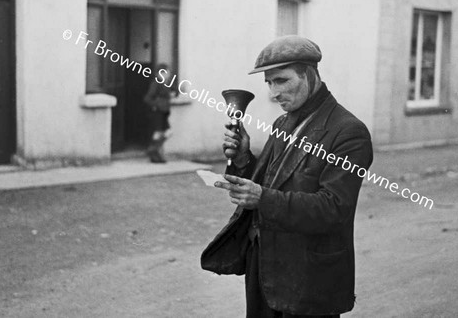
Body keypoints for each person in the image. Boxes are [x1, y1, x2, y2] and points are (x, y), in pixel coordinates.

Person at [201, 36, 374, 317]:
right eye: (269, 83)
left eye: (281, 80)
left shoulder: (348, 131)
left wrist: (262, 198)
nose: (273, 92)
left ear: (309, 75)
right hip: (266, 268)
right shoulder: (283, 122)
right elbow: (271, 182)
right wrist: (244, 159)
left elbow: (334, 208)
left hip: (309, 277)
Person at [143, 63, 172, 163]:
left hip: (164, 111)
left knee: (167, 133)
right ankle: (154, 154)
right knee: (158, 133)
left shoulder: (165, 83)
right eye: (167, 72)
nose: (168, 74)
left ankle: (153, 150)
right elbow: (147, 98)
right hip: (158, 112)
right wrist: (157, 104)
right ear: (162, 73)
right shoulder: (156, 83)